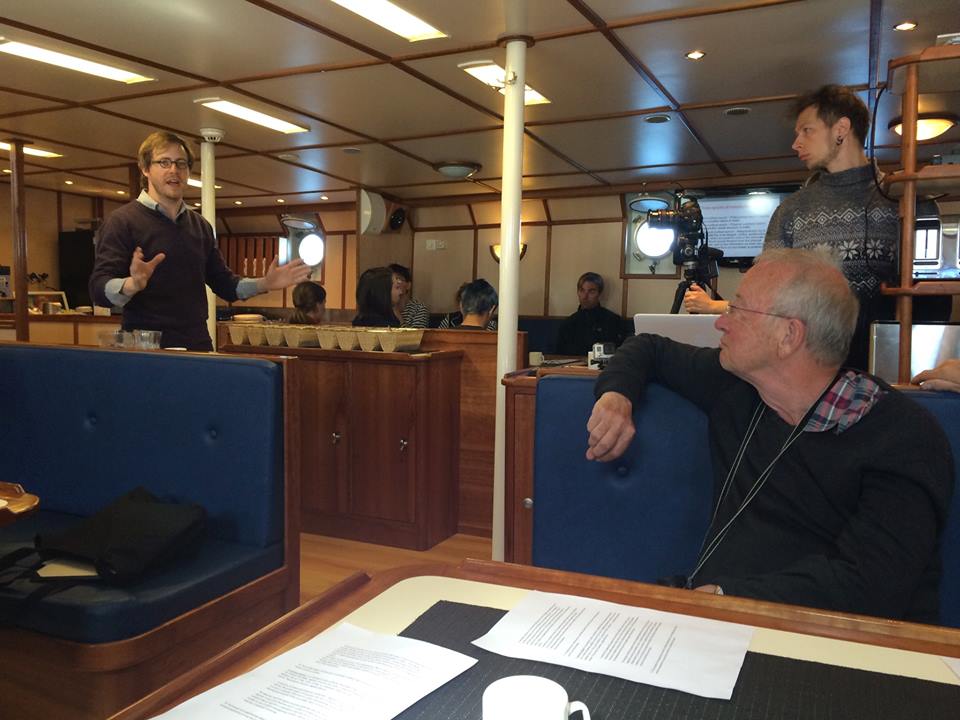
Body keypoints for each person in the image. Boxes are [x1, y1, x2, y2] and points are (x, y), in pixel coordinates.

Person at [586, 248, 952, 622]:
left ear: (788, 335)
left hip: (833, 643)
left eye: (737, 310)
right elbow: (648, 347)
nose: (721, 323)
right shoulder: (734, 385)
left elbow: (871, 585)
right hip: (717, 622)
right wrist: (616, 397)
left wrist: (726, 597)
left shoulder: (902, 435)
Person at [683, 85, 908, 369]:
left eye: (807, 131)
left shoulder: (901, 198)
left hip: (889, 365)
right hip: (808, 370)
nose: (796, 143)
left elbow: (929, 297)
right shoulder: (791, 211)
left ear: (841, 129)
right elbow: (764, 295)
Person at [89, 131, 310, 351]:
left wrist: (265, 283)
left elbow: (225, 284)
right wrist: (132, 285)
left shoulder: (200, 226)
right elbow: (98, 289)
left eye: (181, 163)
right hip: (147, 348)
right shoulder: (122, 221)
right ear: (145, 168)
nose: (174, 170)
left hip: (196, 344)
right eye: (164, 162)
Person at [555, 272, 631, 356]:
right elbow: (559, 355)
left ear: (599, 294)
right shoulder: (568, 324)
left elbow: (621, 353)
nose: (585, 296)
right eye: (582, 290)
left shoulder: (613, 321)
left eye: (591, 292)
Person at [388, 263, 429, 328]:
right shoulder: (381, 306)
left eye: (398, 280)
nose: (394, 284)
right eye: (390, 281)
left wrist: (396, 312)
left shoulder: (418, 309)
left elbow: (415, 334)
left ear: (408, 285)